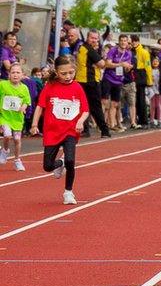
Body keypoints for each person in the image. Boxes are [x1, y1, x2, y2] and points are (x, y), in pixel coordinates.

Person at [31, 55, 90, 205]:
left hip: (70, 131)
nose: (68, 76)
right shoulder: (50, 86)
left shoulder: (77, 87)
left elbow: (85, 110)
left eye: (71, 72)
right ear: (56, 72)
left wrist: (81, 122)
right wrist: (34, 124)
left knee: (71, 161)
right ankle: (59, 163)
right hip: (52, 131)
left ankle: (68, 192)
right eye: (63, 74)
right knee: (47, 166)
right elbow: (40, 106)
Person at [73, 30, 111, 138]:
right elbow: (102, 64)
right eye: (92, 38)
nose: (94, 40)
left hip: (84, 80)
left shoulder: (82, 47)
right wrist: (100, 61)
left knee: (83, 107)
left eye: (96, 38)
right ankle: (104, 130)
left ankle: (86, 129)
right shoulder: (89, 49)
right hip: (89, 81)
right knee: (95, 107)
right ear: (87, 38)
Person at [0, 64, 32, 171]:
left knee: (17, 140)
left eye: (18, 72)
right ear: (8, 75)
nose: (15, 75)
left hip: (17, 119)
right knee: (7, 135)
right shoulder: (3, 85)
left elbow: (27, 101)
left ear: (22, 75)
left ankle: (17, 160)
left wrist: (23, 107)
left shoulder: (24, 88)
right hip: (5, 117)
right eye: (13, 72)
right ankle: (5, 150)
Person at [102, 34, 132, 132]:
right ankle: (101, 124)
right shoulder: (113, 50)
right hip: (108, 78)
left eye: (125, 41)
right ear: (119, 41)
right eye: (122, 40)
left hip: (119, 80)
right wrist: (120, 64)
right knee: (105, 102)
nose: (123, 42)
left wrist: (128, 68)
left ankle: (112, 125)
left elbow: (126, 69)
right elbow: (107, 64)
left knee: (115, 104)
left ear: (127, 43)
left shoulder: (128, 53)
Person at [131, 35, 152, 128]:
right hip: (133, 74)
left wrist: (149, 80)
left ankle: (143, 121)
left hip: (141, 74)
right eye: (132, 41)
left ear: (138, 41)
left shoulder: (144, 52)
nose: (134, 43)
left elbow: (148, 66)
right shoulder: (131, 51)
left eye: (135, 41)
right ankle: (136, 120)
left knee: (141, 99)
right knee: (135, 100)